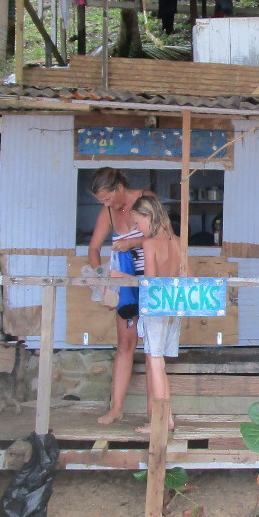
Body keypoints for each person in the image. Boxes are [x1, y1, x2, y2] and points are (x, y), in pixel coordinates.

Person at [85, 167, 156, 425]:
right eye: (101, 201)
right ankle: (116, 409)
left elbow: (164, 237)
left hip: (152, 281)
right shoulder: (108, 212)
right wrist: (102, 282)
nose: (106, 204)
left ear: (119, 188)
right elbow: (94, 249)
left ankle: (153, 412)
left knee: (153, 349)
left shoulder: (145, 198)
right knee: (125, 345)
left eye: (107, 198)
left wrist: (132, 243)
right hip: (125, 286)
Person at [110, 193, 182, 434]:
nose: (138, 231)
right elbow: (188, 277)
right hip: (174, 308)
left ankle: (159, 422)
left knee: (154, 361)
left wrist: (123, 278)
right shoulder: (178, 242)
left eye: (138, 224)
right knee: (159, 363)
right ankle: (167, 419)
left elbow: (150, 285)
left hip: (156, 308)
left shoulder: (151, 245)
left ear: (148, 217)